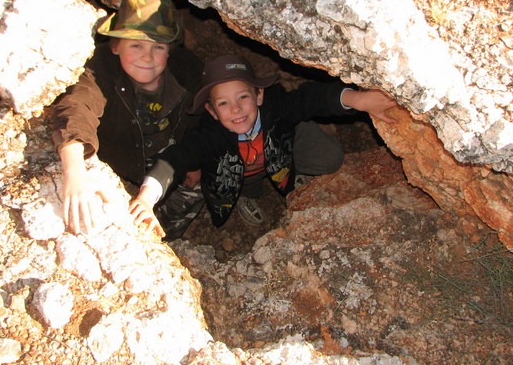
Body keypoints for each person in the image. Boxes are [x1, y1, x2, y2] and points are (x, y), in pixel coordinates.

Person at [128, 53, 398, 238]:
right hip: (240, 171)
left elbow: (311, 97)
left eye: (243, 97)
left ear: (259, 95)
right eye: (223, 103)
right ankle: (246, 195)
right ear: (212, 112)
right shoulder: (210, 136)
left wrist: (356, 99)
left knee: (324, 154)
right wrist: (147, 196)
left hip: (274, 146)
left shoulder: (275, 107)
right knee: (247, 184)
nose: (235, 109)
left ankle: (289, 162)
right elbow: (176, 158)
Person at [50, 0, 204, 238]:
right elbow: (78, 107)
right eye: (135, 45)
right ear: (115, 47)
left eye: (158, 46)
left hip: (168, 160)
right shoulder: (100, 70)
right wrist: (74, 171)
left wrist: (194, 163)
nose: (147, 56)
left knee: (192, 193)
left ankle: (168, 235)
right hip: (121, 160)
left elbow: (200, 122)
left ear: (169, 50)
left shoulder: (189, 73)